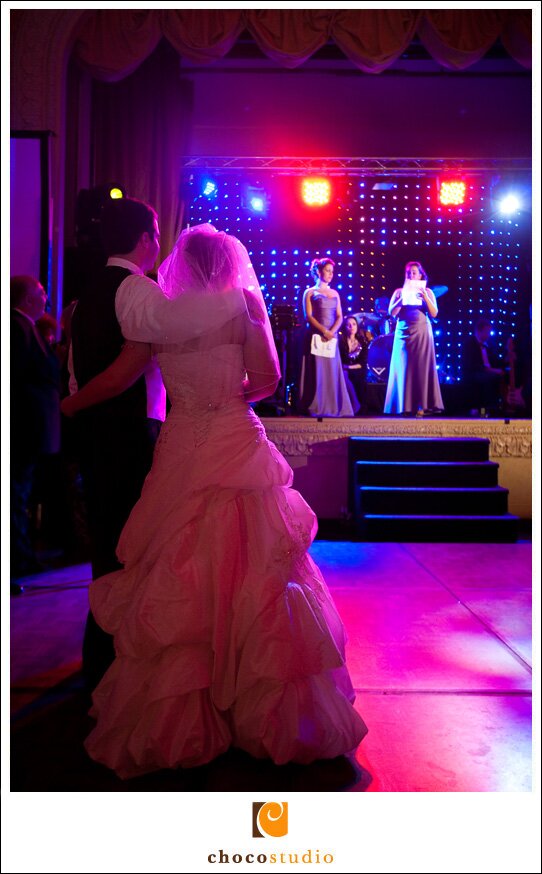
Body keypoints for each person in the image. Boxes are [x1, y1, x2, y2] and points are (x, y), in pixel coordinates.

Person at [62, 223, 367, 778]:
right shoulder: (242, 304)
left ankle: (183, 711)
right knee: (259, 564)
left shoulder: (162, 314)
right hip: (233, 435)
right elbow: (269, 378)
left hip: (181, 443)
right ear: (228, 263)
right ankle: (263, 708)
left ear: (181, 262)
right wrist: (227, 400)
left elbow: (125, 375)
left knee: (181, 563)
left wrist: (73, 404)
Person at [67, 197, 166, 691]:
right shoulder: (139, 289)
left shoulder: (88, 292)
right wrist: (72, 405)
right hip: (128, 437)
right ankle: (115, 666)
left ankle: (99, 662)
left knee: (108, 550)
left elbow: (75, 363)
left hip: (96, 438)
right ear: (146, 238)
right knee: (129, 551)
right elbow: (126, 373)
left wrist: (74, 407)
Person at [10, 276, 61, 593]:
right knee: (16, 494)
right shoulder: (18, 328)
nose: (45, 295)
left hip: (30, 427)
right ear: (27, 298)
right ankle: (16, 561)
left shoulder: (28, 326)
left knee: (21, 493)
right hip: (23, 427)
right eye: (40, 291)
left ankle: (23, 556)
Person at [384, 261, 444, 417]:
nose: (411, 275)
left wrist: (425, 297)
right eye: (409, 273)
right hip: (403, 333)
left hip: (422, 332)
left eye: (414, 272)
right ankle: (403, 405)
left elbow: (434, 313)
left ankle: (421, 405)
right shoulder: (399, 291)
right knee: (403, 368)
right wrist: (402, 298)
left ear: (420, 275)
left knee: (421, 369)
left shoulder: (428, 292)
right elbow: (392, 312)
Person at [298, 258, 356, 416]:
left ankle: (334, 405)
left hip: (332, 337)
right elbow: (308, 316)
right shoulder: (310, 292)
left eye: (332, 271)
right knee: (318, 371)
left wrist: (333, 332)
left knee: (331, 370)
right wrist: (324, 331)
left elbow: (340, 315)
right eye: (328, 270)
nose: (331, 274)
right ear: (318, 271)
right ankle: (317, 404)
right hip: (317, 335)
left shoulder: (335, 293)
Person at [462, 319, 505, 416]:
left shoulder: (488, 344)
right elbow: (473, 365)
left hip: (486, 371)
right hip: (473, 373)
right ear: (479, 331)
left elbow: (494, 360)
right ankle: (482, 410)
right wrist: (492, 370)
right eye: (487, 332)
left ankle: (498, 407)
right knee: (487, 378)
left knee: (501, 375)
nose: (489, 334)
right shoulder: (469, 344)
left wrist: (505, 360)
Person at [339, 315, 371, 415]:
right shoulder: (340, 342)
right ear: (344, 327)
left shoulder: (362, 342)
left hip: (357, 369)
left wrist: (348, 367)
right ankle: (353, 405)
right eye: (348, 325)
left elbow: (363, 363)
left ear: (357, 326)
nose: (351, 327)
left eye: (353, 324)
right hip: (343, 370)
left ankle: (357, 406)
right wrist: (345, 368)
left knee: (353, 376)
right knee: (344, 375)